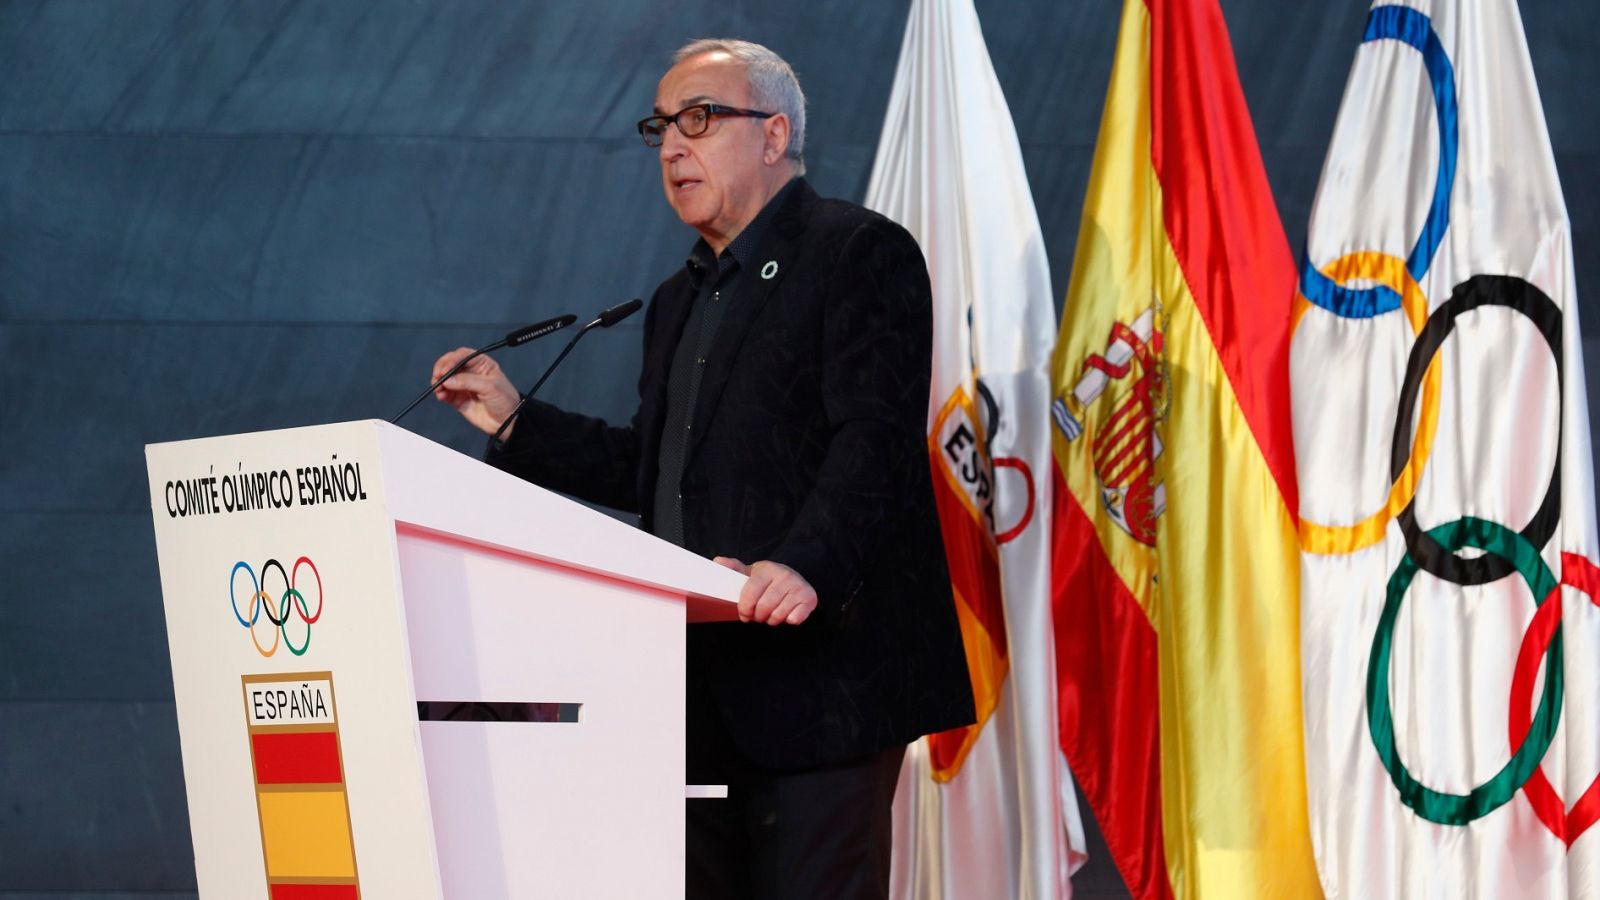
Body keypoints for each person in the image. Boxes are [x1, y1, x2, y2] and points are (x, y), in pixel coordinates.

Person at [430, 38, 973, 900]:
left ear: (774, 134)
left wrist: (806, 566)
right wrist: (513, 419)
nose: (673, 147)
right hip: (692, 691)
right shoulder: (680, 299)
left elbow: (876, 438)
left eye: (700, 118)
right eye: (662, 127)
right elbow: (654, 467)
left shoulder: (858, 251)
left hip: (823, 686)